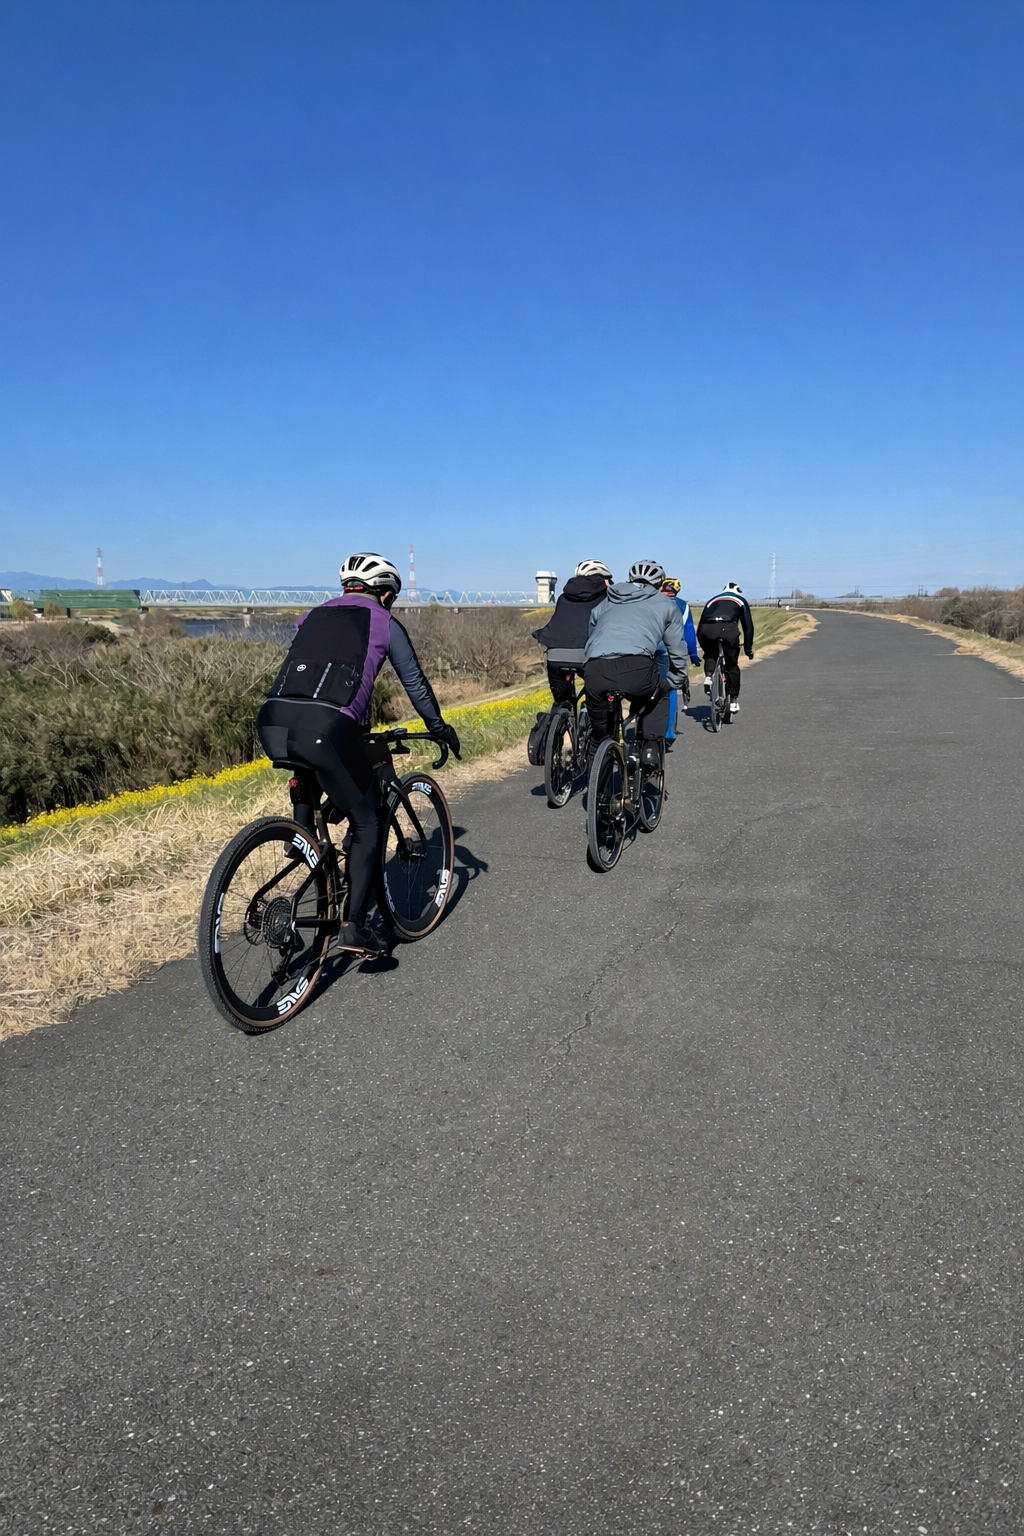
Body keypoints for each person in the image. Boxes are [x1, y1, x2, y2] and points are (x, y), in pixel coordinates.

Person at [256, 552, 461, 955]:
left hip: (273, 719)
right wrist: (440, 728)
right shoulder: (384, 622)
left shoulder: (311, 616)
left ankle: (302, 842)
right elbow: (415, 683)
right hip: (326, 727)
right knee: (367, 822)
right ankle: (352, 926)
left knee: (318, 773)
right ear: (385, 594)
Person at [583, 559, 688, 767]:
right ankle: (650, 747)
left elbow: (592, 631)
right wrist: (677, 678)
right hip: (637, 666)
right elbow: (676, 647)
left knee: (600, 727)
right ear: (659, 584)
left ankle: (598, 760)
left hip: (596, 666)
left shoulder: (608, 600)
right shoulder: (667, 604)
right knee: (659, 692)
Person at [531, 560, 613, 712]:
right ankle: (592, 717)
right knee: (598, 697)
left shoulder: (563, 597)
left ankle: (558, 718)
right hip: (588, 654)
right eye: (609, 579)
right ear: (602, 579)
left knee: (562, 702)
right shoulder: (607, 598)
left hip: (555, 654)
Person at [697, 580, 754, 714]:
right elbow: (748, 627)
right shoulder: (740, 600)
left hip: (706, 630)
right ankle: (733, 701)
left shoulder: (712, 600)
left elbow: (700, 625)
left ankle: (709, 677)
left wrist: (704, 646)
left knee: (711, 654)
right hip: (728, 629)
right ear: (738, 591)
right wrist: (748, 648)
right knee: (732, 666)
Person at [656, 577, 700, 749]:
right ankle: (668, 731)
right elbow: (688, 632)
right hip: (669, 650)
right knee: (671, 686)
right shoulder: (682, 605)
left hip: (647, 648)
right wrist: (693, 655)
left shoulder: (650, 601)